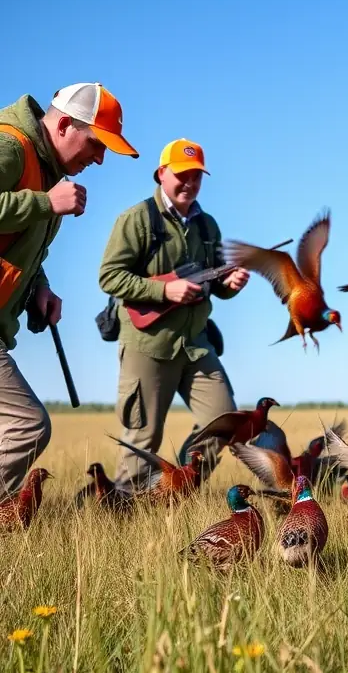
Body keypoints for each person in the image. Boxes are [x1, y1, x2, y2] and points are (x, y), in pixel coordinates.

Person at [0, 82, 137, 496]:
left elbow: (23, 249)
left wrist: (38, 288)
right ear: (62, 125)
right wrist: (45, 203)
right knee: (27, 426)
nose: (99, 159)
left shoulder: (48, 172)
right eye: (96, 145)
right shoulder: (10, 148)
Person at [98, 138, 249, 487]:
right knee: (142, 439)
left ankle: (175, 490)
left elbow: (218, 285)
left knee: (224, 419)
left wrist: (232, 283)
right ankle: (125, 517)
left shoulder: (207, 226)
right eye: (182, 174)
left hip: (194, 343)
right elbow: (109, 276)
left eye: (197, 176)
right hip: (147, 344)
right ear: (162, 173)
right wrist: (164, 290)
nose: (190, 183)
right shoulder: (137, 219)